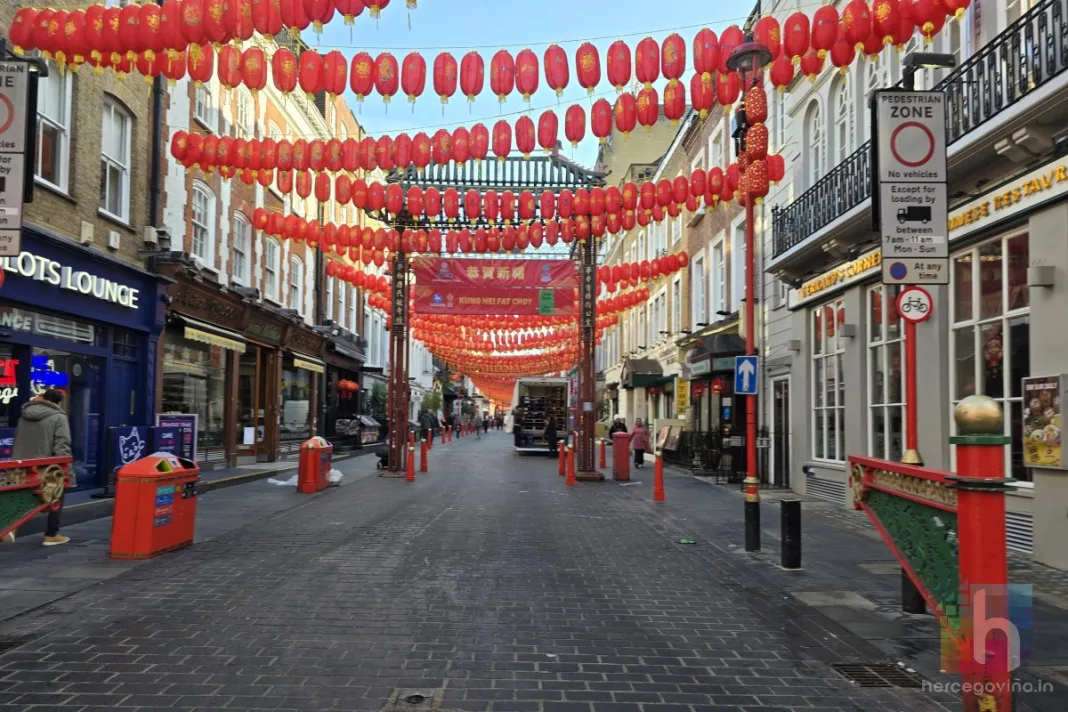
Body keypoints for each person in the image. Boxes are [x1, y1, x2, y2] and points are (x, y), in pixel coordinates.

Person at [3, 389, 73, 546]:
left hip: (19, 465)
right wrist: (64, 467)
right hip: (44, 467)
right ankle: (51, 534)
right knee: (56, 493)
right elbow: (62, 444)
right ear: (58, 402)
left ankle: (11, 529)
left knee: (19, 497)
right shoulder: (58, 417)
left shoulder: (24, 416)